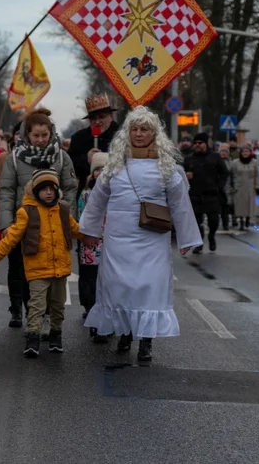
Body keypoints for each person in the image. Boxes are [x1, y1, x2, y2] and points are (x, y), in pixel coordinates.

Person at [78, 106, 201, 363]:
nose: (139, 134)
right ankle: (125, 333)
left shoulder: (167, 168)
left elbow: (180, 205)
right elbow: (97, 202)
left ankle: (146, 340)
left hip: (151, 240)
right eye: (134, 129)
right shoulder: (113, 167)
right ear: (127, 133)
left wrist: (188, 239)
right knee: (119, 288)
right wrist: (88, 232)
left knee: (149, 289)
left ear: (154, 133)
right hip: (118, 241)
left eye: (145, 129)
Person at [0, 108, 78, 327]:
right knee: (22, 270)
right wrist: (6, 224)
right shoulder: (14, 158)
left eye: (45, 135)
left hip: (53, 224)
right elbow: (6, 191)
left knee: (51, 272)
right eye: (36, 135)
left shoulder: (61, 156)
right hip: (22, 224)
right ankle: (25, 310)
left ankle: (48, 313)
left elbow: (70, 187)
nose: (41, 140)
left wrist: (67, 215)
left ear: (51, 133)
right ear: (27, 135)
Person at [0, 170, 79, 357]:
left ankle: (55, 336)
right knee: (36, 306)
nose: (48, 193)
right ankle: (32, 338)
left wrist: (94, 238)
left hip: (60, 268)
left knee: (58, 306)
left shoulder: (63, 210)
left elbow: (76, 229)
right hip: (37, 269)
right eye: (43, 189)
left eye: (52, 189)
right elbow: (11, 238)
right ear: (35, 192)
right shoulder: (26, 211)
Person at [77, 151, 108, 342]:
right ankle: (90, 308)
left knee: (106, 280)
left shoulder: (116, 191)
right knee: (89, 278)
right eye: (97, 169)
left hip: (110, 243)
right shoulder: (87, 193)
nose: (101, 172)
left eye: (104, 168)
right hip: (90, 242)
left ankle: (104, 319)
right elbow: (81, 215)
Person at [182, 132, 229, 253]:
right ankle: (199, 243)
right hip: (195, 194)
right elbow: (181, 174)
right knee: (197, 222)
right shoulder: (189, 159)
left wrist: (219, 186)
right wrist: (186, 176)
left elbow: (224, 173)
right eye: (196, 143)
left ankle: (211, 236)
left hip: (212, 194)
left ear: (206, 144)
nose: (198, 145)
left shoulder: (215, 157)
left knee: (213, 220)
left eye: (200, 143)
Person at [67, 93, 120, 184]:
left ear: (110, 116)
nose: (97, 122)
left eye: (101, 117)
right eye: (93, 119)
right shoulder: (78, 138)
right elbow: (69, 167)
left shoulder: (122, 134)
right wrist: (86, 159)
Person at [230, 145, 259, 231]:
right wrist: (233, 186)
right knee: (240, 205)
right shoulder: (235, 163)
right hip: (239, 187)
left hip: (250, 187)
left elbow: (257, 175)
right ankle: (241, 221)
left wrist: (257, 186)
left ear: (250, 153)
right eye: (243, 152)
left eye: (247, 151)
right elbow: (232, 175)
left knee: (249, 205)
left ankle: (248, 218)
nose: (245, 153)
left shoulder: (254, 162)